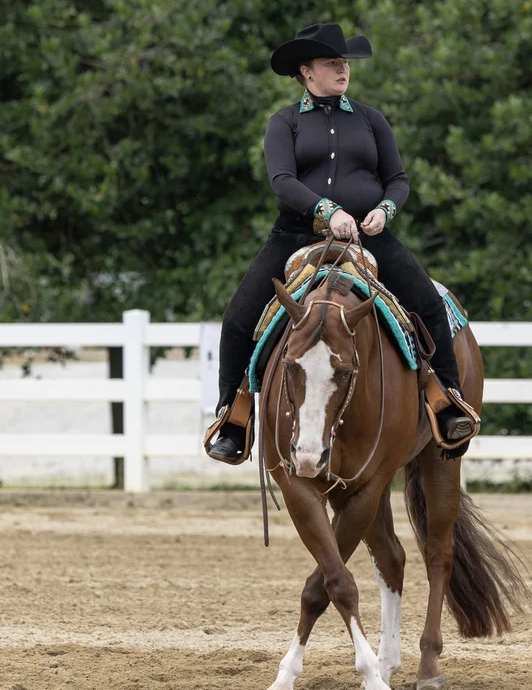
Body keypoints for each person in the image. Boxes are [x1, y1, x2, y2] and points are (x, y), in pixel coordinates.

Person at [205, 23, 479, 465]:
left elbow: (398, 180)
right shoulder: (284, 122)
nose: (343, 69)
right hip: (296, 235)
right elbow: (282, 183)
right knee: (238, 318)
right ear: (306, 71)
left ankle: (447, 402)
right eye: (333, 63)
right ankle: (233, 418)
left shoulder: (371, 119)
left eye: (345, 62)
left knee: (428, 303)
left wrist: (384, 211)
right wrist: (327, 211)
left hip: (369, 236)